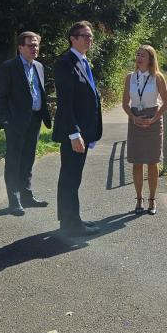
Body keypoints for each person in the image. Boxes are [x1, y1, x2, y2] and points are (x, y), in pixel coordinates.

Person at [0, 32, 53, 216]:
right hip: (15, 122)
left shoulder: (39, 67)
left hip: (34, 120)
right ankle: (14, 200)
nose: (35, 49)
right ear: (21, 48)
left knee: (28, 159)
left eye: (36, 45)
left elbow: (38, 91)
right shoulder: (9, 67)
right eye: (30, 45)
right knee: (14, 161)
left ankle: (27, 197)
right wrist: (6, 119)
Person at [53, 21, 103, 235]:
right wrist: (74, 134)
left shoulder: (82, 61)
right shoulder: (66, 63)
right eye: (85, 36)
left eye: (91, 36)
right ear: (72, 38)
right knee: (70, 177)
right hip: (73, 134)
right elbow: (65, 103)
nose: (89, 39)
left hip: (83, 132)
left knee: (73, 177)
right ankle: (71, 223)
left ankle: (71, 219)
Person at [121, 45, 167, 215]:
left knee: (152, 161)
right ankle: (139, 199)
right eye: (137, 55)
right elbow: (125, 103)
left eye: (143, 55)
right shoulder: (130, 77)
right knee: (136, 160)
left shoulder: (157, 77)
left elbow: (166, 103)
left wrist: (153, 120)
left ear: (151, 59)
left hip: (153, 121)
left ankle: (152, 198)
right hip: (135, 120)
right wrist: (134, 118)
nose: (139, 58)